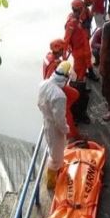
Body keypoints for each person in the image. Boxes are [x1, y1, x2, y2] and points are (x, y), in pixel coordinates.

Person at [38, 61, 72, 189]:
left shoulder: (44, 84)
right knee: (56, 155)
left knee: (53, 149)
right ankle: (51, 183)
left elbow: (39, 103)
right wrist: (66, 130)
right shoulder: (59, 96)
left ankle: (55, 173)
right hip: (55, 127)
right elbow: (59, 120)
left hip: (47, 121)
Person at [43, 39, 81, 140]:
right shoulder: (53, 64)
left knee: (75, 94)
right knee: (67, 115)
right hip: (55, 90)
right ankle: (74, 136)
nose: (64, 51)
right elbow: (51, 79)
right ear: (58, 50)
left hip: (55, 87)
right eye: (62, 49)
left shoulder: (50, 57)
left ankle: (65, 110)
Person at [64, 0, 93, 124]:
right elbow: (66, 40)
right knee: (78, 83)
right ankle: (77, 113)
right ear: (80, 9)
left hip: (83, 54)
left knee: (80, 80)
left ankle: (78, 109)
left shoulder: (76, 21)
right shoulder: (72, 23)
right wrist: (64, 58)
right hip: (79, 55)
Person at [83, 0, 101, 81]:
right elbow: (83, 24)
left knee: (87, 55)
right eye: (90, 1)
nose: (91, 3)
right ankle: (89, 72)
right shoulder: (82, 10)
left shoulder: (85, 9)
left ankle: (88, 71)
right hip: (82, 38)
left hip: (85, 36)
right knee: (86, 55)